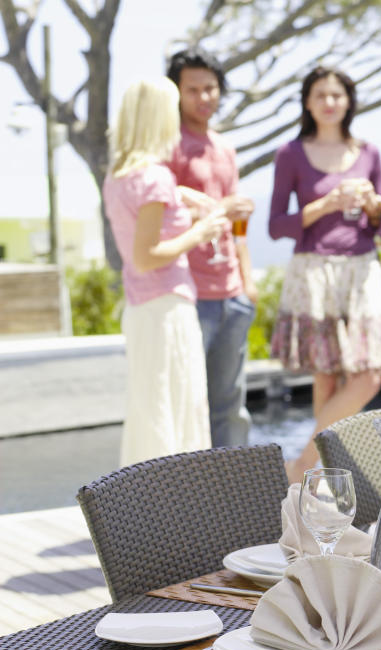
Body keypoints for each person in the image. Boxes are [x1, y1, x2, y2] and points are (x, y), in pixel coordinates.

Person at [268, 66, 381, 483]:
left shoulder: (369, 152)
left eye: (337, 95)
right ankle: (326, 480)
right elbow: (277, 226)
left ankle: (303, 464)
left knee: (368, 377)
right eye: (320, 94)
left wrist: (375, 207)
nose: (329, 102)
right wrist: (327, 203)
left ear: (348, 101)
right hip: (314, 269)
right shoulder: (290, 154)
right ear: (307, 101)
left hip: (361, 271)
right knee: (324, 375)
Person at [102, 78, 228, 466]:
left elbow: (141, 233)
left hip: (142, 309)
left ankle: (141, 508)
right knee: (178, 407)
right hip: (166, 309)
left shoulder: (118, 175)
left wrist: (181, 203)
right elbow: (147, 255)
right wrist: (200, 232)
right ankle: (179, 508)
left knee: (151, 409)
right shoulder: (154, 177)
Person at [166, 48, 257, 448]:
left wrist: (247, 282)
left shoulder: (225, 148)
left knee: (231, 404)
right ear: (177, 93)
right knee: (188, 403)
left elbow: (237, 225)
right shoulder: (168, 145)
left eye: (211, 88)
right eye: (193, 90)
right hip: (190, 291)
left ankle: (233, 497)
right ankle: (188, 499)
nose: (204, 98)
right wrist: (219, 207)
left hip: (232, 293)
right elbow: (160, 214)